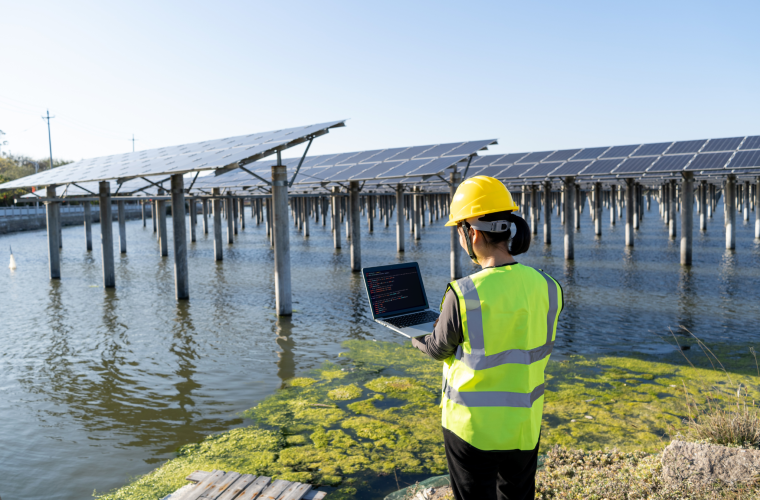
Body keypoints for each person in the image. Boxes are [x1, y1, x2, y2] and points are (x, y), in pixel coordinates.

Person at [412, 175, 563, 500]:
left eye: (459, 230)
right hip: (524, 422)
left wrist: (414, 334)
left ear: (473, 232)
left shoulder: (463, 293)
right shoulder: (549, 287)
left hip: (471, 428)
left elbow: (439, 348)